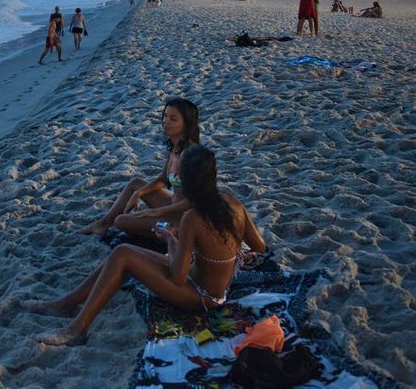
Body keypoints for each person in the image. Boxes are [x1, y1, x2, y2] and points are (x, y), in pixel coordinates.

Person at [21, 145, 267, 346]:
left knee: (122, 253)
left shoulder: (192, 218)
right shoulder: (233, 203)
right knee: (122, 255)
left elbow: (178, 278)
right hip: (206, 277)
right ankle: (66, 304)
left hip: (203, 296)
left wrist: (170, 239)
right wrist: (225, 255)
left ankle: (76, 329)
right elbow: (259, 246)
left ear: (187, 182)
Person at [80, 98, 199, 237]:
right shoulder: (175, 148)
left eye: (173, 119)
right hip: (173, 206)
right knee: (136, 183)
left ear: (186, 124)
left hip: (187, 217)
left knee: (120, 221)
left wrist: (157, 211)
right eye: (165, 116)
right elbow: (163, 179)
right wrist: (139, 193)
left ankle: (172, 233)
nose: (166, 121)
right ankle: (103, 224)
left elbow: (194, 202)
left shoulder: (191, 154)